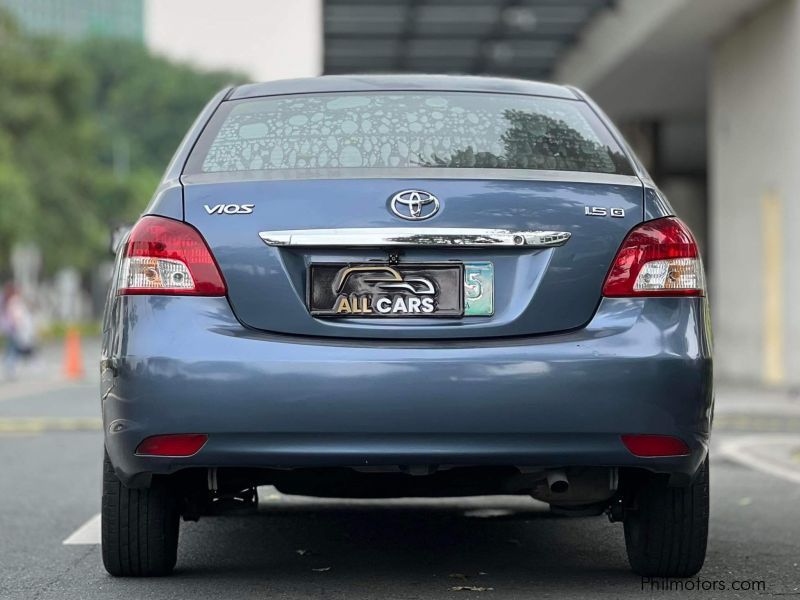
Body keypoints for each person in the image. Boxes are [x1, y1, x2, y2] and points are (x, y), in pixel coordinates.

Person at [1, 283, 36, 379]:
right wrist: (19, 325)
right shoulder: (14, 300)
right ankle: (10, 367)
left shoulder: (7, 300)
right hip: (14, 328)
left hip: (9, 328)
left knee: (12, 348)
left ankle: (10, 367)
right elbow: (16, 315)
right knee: (13, 349)